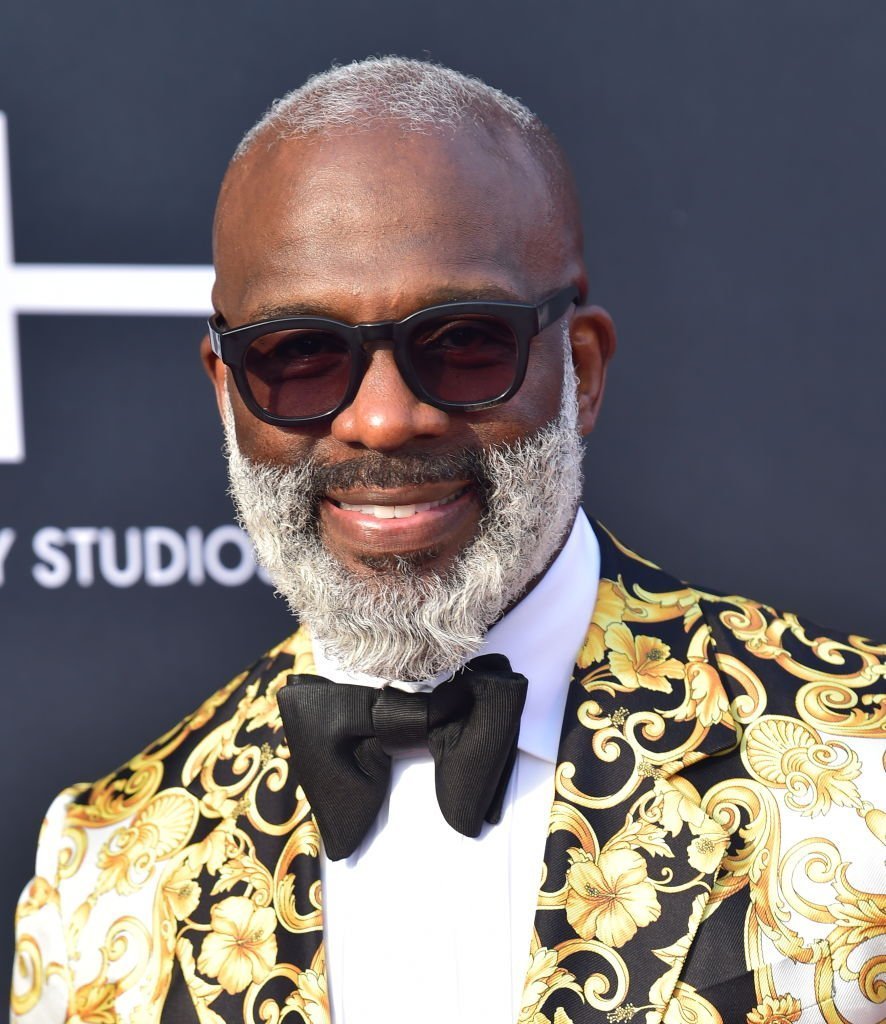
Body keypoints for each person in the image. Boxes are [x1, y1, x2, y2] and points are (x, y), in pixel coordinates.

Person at [11, 57, 885, 1024]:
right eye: (297, 357)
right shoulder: (104, 868)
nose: (383, 422)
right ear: (227, 393)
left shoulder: (865, 771)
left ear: (580, 371)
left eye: (465, 341)